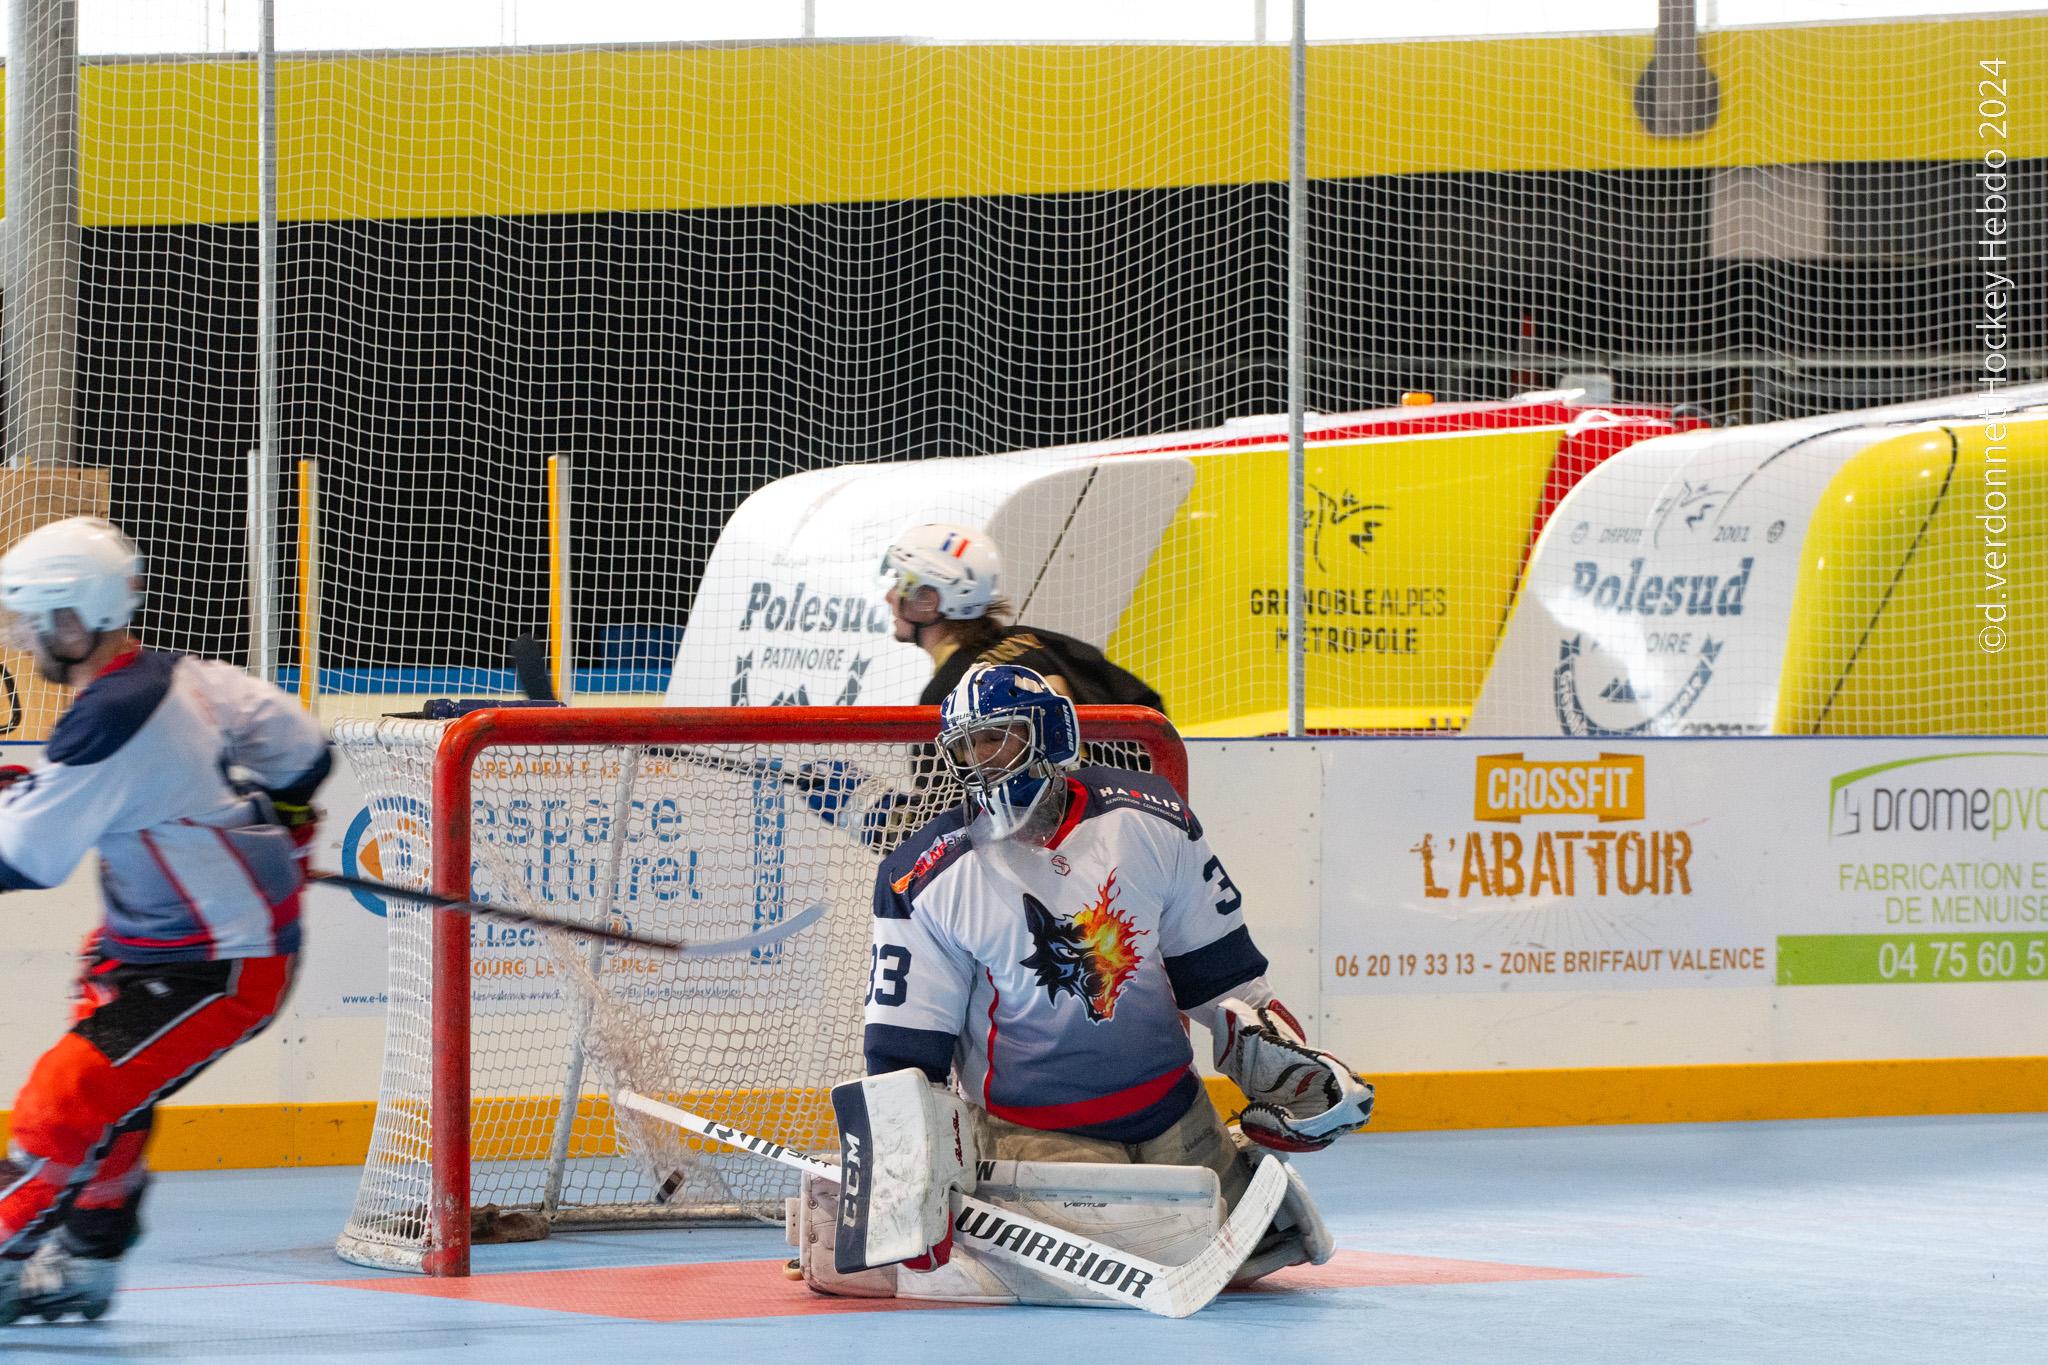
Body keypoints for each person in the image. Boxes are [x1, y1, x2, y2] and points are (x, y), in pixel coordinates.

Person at [825, 661, 1373, 1298]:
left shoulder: (1151, 817)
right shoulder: (923, 877)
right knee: (1118, 1271)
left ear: (1050, 733)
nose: (982, 761)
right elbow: (903, 1054)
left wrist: (1284, 1064)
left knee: (1262, 1250)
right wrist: (903, 1187)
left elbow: (1221, 975)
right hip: (1035, 1133)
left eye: (997, 737)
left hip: (1173, 1112)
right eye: (967, 747)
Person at [0, 517, 330, 1325]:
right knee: (108, 1096)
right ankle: (85, 1262)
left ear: (73, 616)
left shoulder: (112, 720)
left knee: (67, 1097)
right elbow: (302, 750)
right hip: (145, 944)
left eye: (30, 620)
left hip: (218, 966)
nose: (21, 638)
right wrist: (283, 824)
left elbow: (24, 859)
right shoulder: (185, 676)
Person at [881, 523, 1165, 712]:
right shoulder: (1037, 640)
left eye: (898, 583)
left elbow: (944, 788)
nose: (889, 596)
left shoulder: (948, 693)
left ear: (928, 601)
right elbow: (1149, 713)